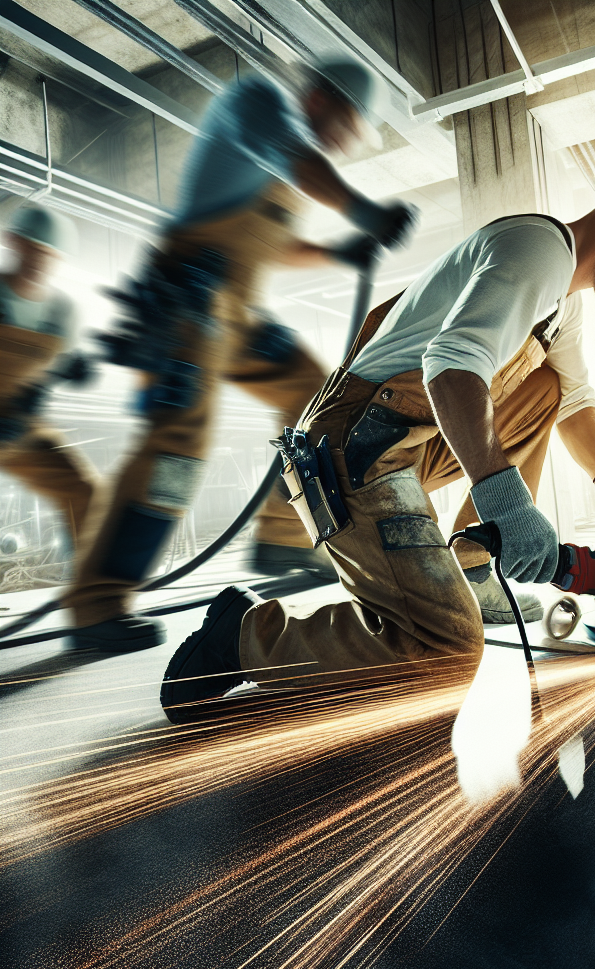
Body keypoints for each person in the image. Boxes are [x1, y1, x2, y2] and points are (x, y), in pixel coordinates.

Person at [161, 152, 595, 716]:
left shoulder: (562, 302)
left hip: (403, 442)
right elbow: (451, 368)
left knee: (547, 383)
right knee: (446, 650)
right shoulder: (537, 249)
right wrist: (506, 503)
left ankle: (475, 570)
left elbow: (571, 400)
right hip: (353, 450)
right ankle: (244, 637)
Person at [64, 59, 417, 652]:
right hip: (187, 300)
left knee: (314, 397)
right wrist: (363, 213)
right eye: (350, 122)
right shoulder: (258, 105)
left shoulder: (285, 170)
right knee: (176, 449)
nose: (348, 140)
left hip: (233, 313)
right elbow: (298, 162)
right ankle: (96, 605)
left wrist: (341, 254)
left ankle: (283, 537)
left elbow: (275, 246)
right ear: (323, 97)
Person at [0, 204, 98, 558]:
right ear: (13, 243)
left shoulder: (63, 311)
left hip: (22, 423)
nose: (40, 261)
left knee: (83, 488)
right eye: (33, 249)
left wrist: (74, 369)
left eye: (49, 254)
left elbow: (53, 369)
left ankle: (93, 598)